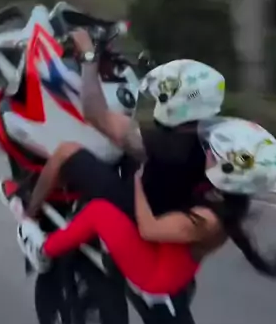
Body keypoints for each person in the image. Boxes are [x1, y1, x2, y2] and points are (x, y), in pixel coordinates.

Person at [16, 117, 276, 286]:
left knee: (99, 211)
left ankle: (42, 249)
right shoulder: (229, 200)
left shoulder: (206, 220)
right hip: (174, 259)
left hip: (155, 273)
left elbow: (148, 228)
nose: (207, 152)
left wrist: (138, 181)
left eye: (214, 153)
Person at [17, 28, 226, 224]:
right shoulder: (212, 138)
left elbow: (95, 115)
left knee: (66, 151)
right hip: (173, 206)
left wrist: (89, 57)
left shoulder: (160, 142)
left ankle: (29, 213)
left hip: (139, 208)